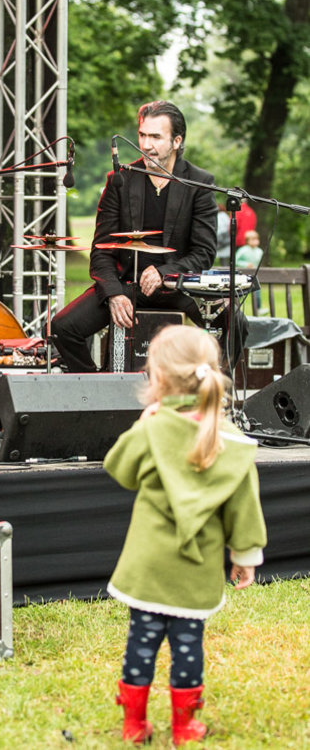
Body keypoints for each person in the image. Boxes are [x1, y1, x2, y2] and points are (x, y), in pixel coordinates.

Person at [103, 324, 267, 745]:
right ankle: (186, 728)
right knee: (188, 645)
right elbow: (244, 509)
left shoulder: (152, 428)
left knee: (142, 641)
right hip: (195, 569)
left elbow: (118, 470)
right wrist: (245, 557)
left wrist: (142, 423)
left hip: (147, 566)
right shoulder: (230, 440)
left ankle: (134, 724)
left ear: (156, 378)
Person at [52, 100, 245, 370]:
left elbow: (203, 253)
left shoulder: (199, 183)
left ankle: (211, 395)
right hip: (127, 285)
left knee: (237, 323)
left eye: (156, 136)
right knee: (63, 327)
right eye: (142, 135)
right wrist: (113, 294)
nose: (146, 144)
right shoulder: (120, 180)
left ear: (177, 141)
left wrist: (165, 272)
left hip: (178, 287)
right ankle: (98, 392)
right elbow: (101, 250)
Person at [235, 229, 264, 310]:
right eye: (253, 239)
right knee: (240, 292)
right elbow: (236, 260)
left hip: (254, 275)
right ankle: (236, 306)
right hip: (243, 275)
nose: (255, 241)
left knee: (257, 291)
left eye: (256, 239)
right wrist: (245, 264)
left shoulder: (259, 251)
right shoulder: (243, 250)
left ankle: (258, 308)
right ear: (248, 241)